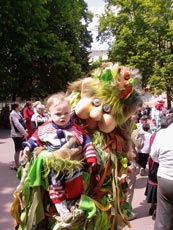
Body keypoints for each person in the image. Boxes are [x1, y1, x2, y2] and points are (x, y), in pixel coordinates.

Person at [22, 92, 97, 223]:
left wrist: (91, 157)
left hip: (73, 165)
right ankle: (63, 211)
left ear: (70, 112)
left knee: (75, 184)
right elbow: (34, 139)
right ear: (49, 114)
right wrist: (28, 147)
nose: (62, 117)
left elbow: (87, 142)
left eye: (66, 113)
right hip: (53, 166)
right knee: (55, 187)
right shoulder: (44, 129)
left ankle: (73, 205)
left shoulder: (76, 129)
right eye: (58, 114)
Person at [150, 119, 173, 230]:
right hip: (166, 177)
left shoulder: (162, 134)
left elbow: (154, 155)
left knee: (163, 218)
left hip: (166, 178)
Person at [9, 102, 28, 170]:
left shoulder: (18, 113)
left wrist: (25, 130)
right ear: (16, 107)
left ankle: (22, 163)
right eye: (19, 105)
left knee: (24, 149)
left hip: (20, 134)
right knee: (18, 150)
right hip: (17, 135)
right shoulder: (13, 114)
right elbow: (17, 124)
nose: (20, 106)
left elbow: (22, 122)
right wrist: (24, 133)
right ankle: (17, 166)